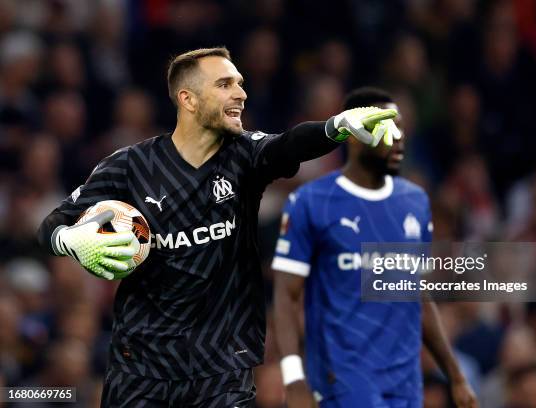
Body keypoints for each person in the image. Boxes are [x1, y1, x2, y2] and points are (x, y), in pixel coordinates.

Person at [37, 48, 400, 407]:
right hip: (140, 372)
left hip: (222, 374)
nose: (240, 93)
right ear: (188, 99)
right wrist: (70, 239)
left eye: (239, 83)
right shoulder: (129, 166)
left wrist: (335, 127)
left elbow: (288, 145)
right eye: (225, 84)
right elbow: (52, 225)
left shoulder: (243, 155)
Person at [272, 87, 478, 408]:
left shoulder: (415, 202)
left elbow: (418, 297)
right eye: (387, 127)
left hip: (404, 381)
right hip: (342, 378)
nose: (399, 138)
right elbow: (286, 294)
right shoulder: (312, 202)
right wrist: (293, 377)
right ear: (354, 135)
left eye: (402, 129)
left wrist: (456, 375)